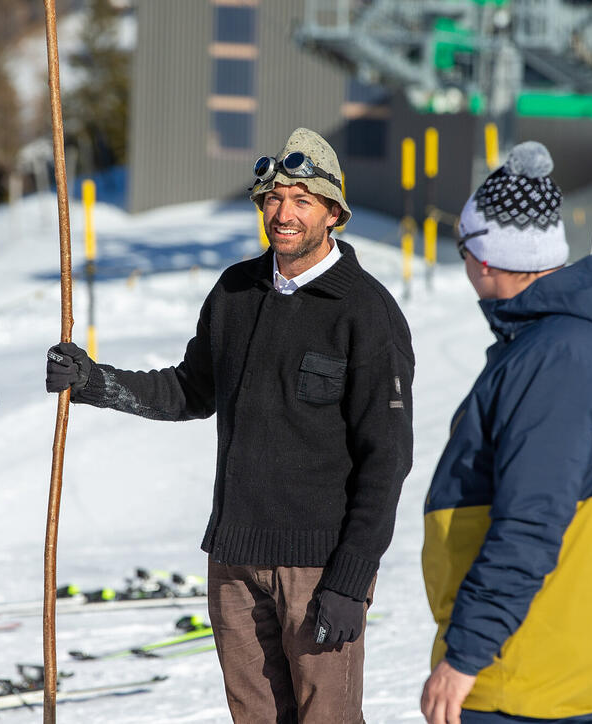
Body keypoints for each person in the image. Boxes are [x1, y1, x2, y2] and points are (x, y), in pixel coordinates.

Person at [46, 127, 414, 723]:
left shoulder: (366, 313)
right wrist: (94, 382)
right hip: (234, 563)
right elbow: (189, 390)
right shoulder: (235, 293)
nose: (283, 213)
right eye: (272, 198)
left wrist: (351, 580)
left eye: (301, 199)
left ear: (333, 213)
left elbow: (387, 459)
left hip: (317, 569)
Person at [420, 141, 592, 724]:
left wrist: (465, 656)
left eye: (464, 247)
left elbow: (532, 520)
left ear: (487, 257)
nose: (463, 264)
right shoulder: (542, 346)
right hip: (522, 670)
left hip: (529, 681)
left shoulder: (557, 357)